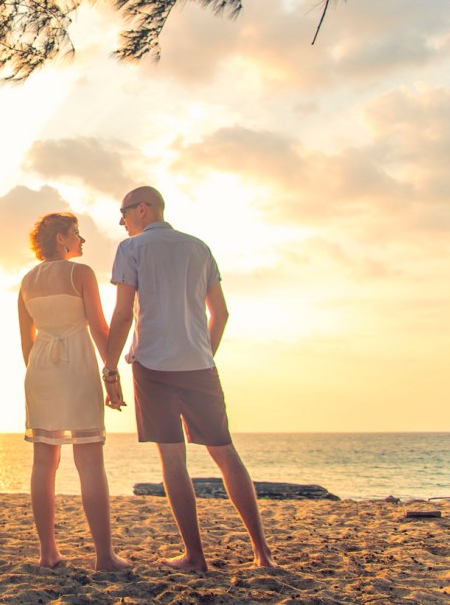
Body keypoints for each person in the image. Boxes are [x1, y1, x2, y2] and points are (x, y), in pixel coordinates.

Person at [103, 186, 277, 570]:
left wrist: (110, 367)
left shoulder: (131, 249)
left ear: (143, 210)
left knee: (172, 458)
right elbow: (222, 314)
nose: (121, 220)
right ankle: (262, 555)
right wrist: (203, 354)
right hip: (200, 366)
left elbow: (123, 314)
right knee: (225, 453)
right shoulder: (199, 247)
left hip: (153, 366)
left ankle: (195, 557)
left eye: (123, 212)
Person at [18, 212, 131, 572]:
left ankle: (47, 553)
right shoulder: (80, 274)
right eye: (76, 234)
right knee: (90, 461)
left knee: (43, 461)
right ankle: (104, 556)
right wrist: (110, 374)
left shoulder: (26, 281)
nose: (82, 241)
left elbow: (26, 342)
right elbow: (99, 327)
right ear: (61, 239)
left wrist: (39, 376)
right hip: (76, 365)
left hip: (40, 370)